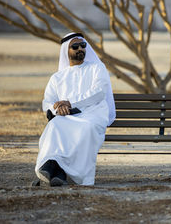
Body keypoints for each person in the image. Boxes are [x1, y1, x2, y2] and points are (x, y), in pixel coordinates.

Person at [35, 32, 116, 186]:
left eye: (83, 45)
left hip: (93, 114)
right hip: (67, 117)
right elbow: (47, 101)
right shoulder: (57, 78)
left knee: (85, 128)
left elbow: (98, 93)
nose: (80, 49)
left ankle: (61, 172)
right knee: (54, 126)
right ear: (66, 50)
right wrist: (56, 109)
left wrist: (70, 103)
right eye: (75, 46)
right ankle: (55, 171)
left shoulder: (97, 68)